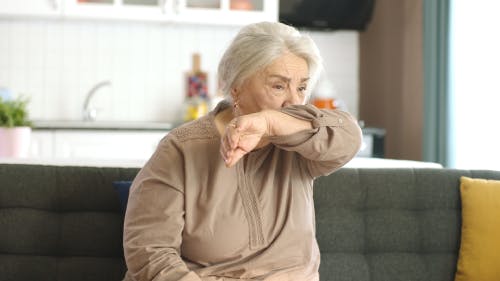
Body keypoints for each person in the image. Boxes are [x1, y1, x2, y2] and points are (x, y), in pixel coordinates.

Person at [122, 21, 362, 281]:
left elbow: (350, 136)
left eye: (302, 87)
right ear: (236, 87)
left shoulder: (303, 145)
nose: (294, 101)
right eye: (279, 86)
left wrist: (270, 122)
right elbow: (150, 252)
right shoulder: (181, 148)